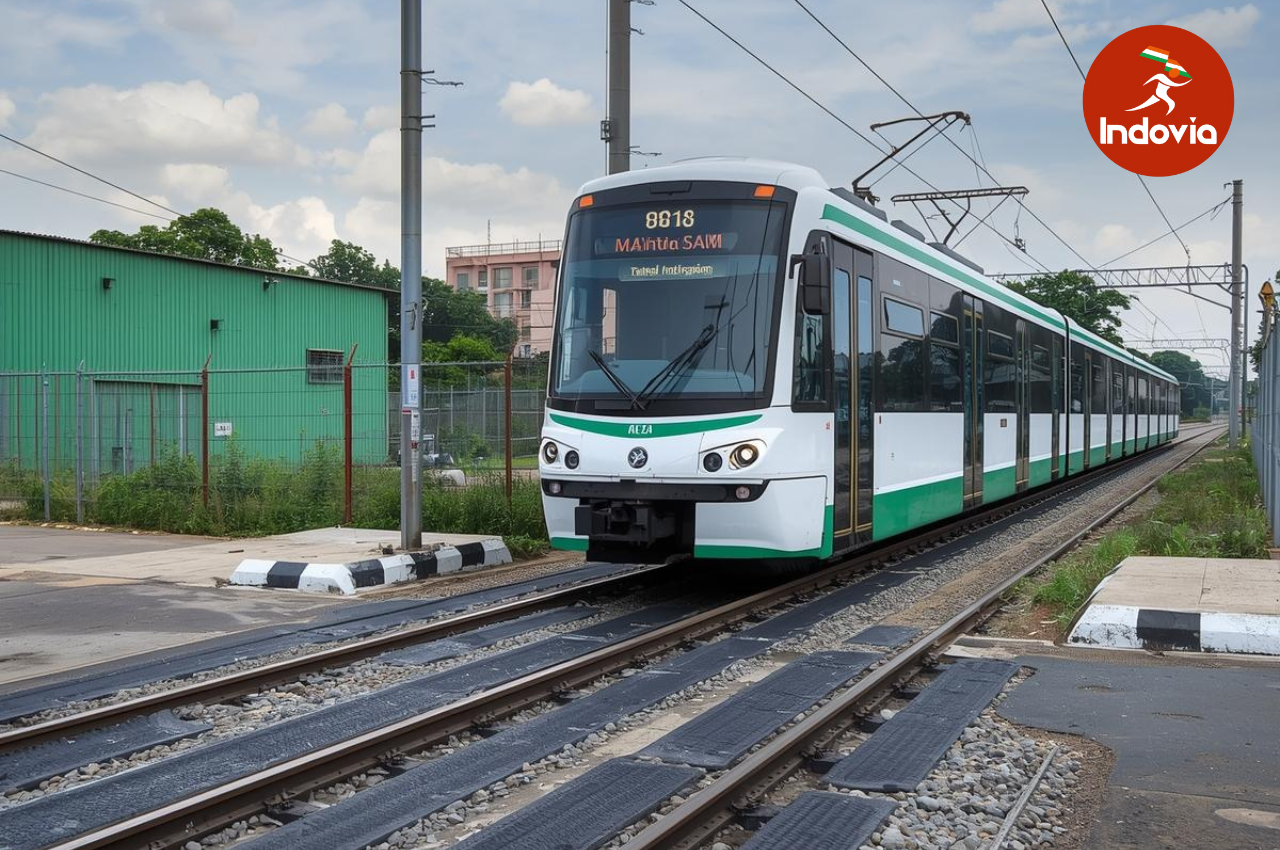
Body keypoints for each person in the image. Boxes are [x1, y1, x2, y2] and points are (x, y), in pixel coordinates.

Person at [1126, 67, 1192, 115]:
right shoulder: (1162, 77)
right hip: (1157, 94)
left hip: (1159, 95)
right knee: (1170, 103)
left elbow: (1180, 84)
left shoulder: (1162, 77)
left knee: (1170, 103)